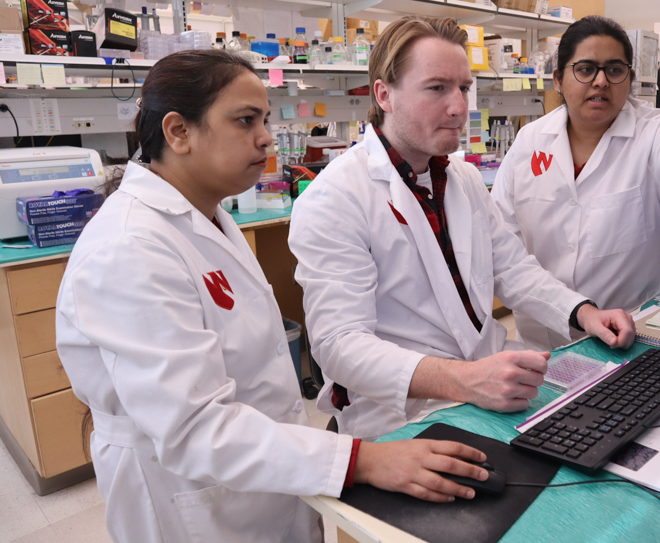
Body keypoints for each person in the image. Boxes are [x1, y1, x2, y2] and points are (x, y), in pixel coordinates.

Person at [56, 50, 499, 543]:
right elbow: (193, 428)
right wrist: (363, 459)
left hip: (266, 476)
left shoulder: (207, 217)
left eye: (264, 119)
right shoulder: (128, 247)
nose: (266, 137)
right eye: (245, 121)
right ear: (179, 132)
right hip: (193, 500)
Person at [289, 16, 635, 442]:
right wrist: (463, 380)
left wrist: (585, 312)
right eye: (437, 88)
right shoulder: (335, 198)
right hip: (403, 418)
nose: (459, 107)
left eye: (464, 88)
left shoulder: (462, 178)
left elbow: (513, 270)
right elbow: (339, 347)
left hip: (487, 386)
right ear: (385, 95)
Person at [491, 16, 660, 350]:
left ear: (629, 78)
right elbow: (502, 241)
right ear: (558, 79)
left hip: (640, 335)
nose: (601, 81)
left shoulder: (655, 133)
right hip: (544, 338)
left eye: (614, 70)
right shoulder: (530, 141)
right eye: (585, 69)